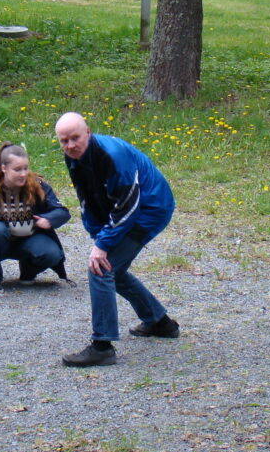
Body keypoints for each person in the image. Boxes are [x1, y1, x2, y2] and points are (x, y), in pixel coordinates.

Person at [54, 112, 179, 367]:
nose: (70, 145)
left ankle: (102, 346)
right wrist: (98, 236)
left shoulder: (113, 156)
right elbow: (87, 197)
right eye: (64, 141)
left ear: (88, 132)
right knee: (113, 268)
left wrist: (103, 245)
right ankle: (160, 322)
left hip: (150, 209)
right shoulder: (74, 156)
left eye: (75, 138)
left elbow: (129, 206)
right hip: (129, 210)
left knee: (100, 269)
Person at [0, 142, 70, 294]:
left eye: (25, 168)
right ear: (4, 168)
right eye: (17, 169)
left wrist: (49, 219)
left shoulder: (38, 185)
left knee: (52, 254)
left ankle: (28, 271)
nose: (23, 174)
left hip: (29, 238)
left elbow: (62, 211)